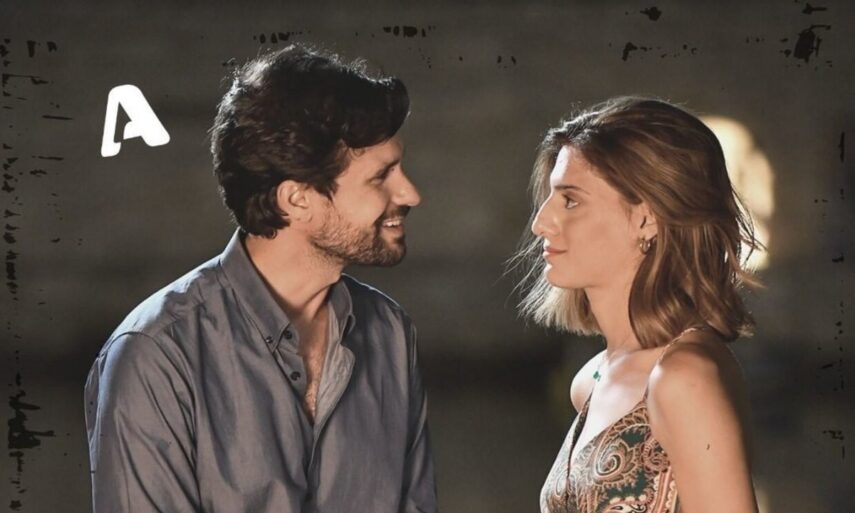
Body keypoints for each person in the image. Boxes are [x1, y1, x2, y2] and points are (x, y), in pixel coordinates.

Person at [84, 44, 436, 513]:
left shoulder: (390, 333)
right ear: (297, 200)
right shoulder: (156, 356)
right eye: (381, 176)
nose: (410, 193)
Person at [515, 97, 761, 513]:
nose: (541, 222)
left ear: (647, 219)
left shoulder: (684, 378)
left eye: (571, 200)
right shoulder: (591, 380)